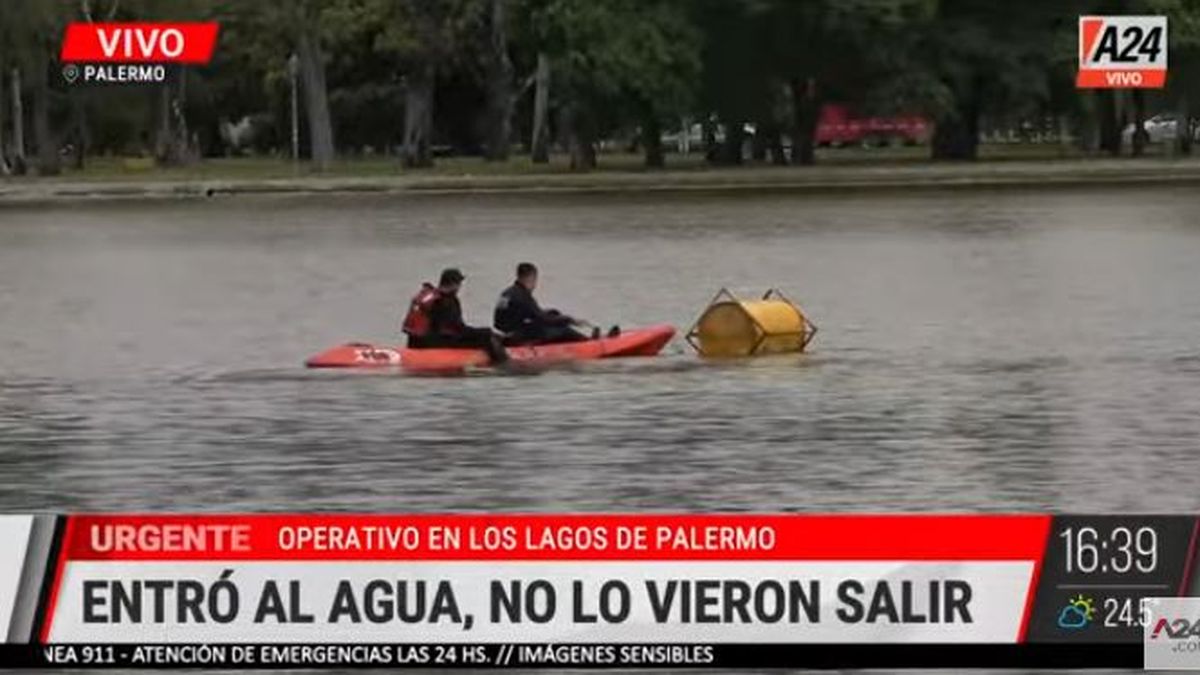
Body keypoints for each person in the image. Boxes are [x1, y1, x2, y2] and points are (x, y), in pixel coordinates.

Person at [402, 268, 508, 364]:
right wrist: (487, 333)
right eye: (459, 284)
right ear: (454, 284)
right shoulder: (447, 301)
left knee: (483, 333)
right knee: (486, 335)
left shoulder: (429, 295)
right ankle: (502, 365)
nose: (459, 288)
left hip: (414, 342)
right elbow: (459, 329)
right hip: (432, 343)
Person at [494, 262, 600, 345]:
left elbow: (501, 321)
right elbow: (542, 319)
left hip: (509, 332)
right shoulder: (523, 296)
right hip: (519, 336)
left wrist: (553, 314)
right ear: (531, 278)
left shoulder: (507, 293)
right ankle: (589, 343)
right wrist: (570, 320)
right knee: (563, 330)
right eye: (535, 280)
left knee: (553, 313)